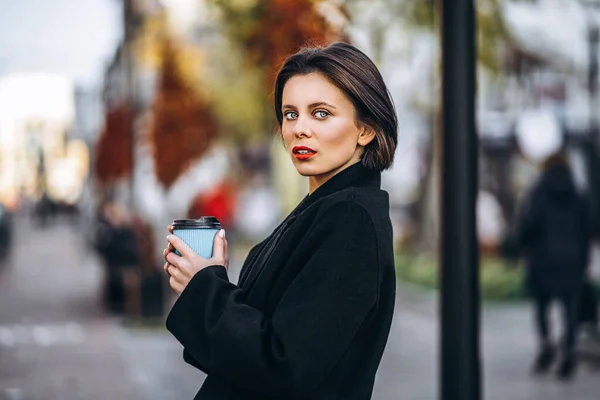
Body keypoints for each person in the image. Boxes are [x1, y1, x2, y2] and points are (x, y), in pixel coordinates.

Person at [162, 42, 398, 400]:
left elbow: (284, 367)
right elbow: (271, 336)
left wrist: (205, 287)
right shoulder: (322, 208)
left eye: (320, 113)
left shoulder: (351, 219)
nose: (299, 129)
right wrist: (211, 276)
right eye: (290, 114)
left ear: (365, 130)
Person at [517, 152, 591, 380]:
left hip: (543, 259)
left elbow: (529, 224)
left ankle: (547, 346)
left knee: (542, 307)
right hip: (572, 261)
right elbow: (587, 228)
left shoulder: (538, 192)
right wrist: (583, 259)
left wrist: (522, 245)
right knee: (569, 310)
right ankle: (568, 354)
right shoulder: (578, 193)